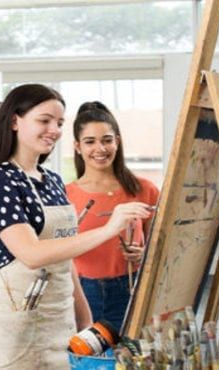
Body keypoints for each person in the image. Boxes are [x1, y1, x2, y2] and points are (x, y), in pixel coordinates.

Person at [0, 84, 151, 369]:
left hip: (58, 315)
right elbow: (31, 254)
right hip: (15, 321)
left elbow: (64, 258)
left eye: (59, 123)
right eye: (44, 120)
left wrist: (84, 317)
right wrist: (107, 229)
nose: (53, 129)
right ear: (15, 121)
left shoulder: (51, 180)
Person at [66, 102, 160, 331]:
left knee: (129, 360)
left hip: (130, 287)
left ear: (117, 142)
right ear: (77, 147)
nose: (100, 148)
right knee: (89, 363)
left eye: (107, 140)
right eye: (90, 142)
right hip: (81, 292)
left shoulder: (144, 189)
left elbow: (161, 245)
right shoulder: (65, 194)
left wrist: (144, 253)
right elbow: (59, 250)